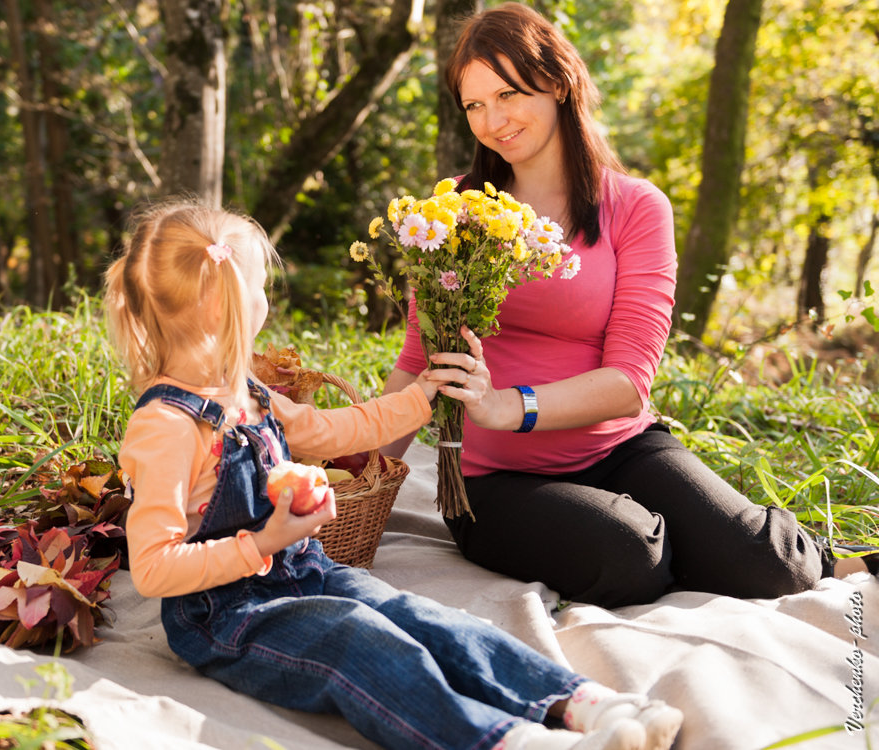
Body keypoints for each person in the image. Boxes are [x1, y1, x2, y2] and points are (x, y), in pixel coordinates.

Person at [103, 198, 683, 750]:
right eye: (258, 287)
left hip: (307, 573)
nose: (264, 297)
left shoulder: (248, 396)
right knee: (360, 640)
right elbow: (153, 569)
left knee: (423, 619)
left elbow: (338, 430)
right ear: (225, 304)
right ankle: (504, 738)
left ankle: (583, 705)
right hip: (227, 616)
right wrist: (264, 541)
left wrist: (424, 394)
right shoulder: (167, 427)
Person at [381, 2, 875, 609]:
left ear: (558, 83)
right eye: (475, 104)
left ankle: (833, 557)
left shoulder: (637, 208)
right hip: (494, 482)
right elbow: (414, 361)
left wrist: (507, 405)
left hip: (617, 448)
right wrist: (356, 483)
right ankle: (657, 539)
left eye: (508, 93)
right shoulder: (452, 213)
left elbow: (629, 383)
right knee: (630, 557)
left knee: (773, 567)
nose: (493, 120)